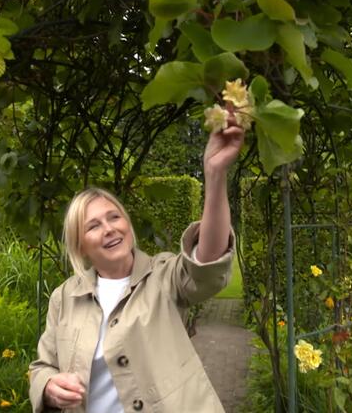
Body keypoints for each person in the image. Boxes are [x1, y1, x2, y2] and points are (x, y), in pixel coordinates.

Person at [28, 110, 245, 412]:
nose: (109, 229)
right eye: (93, 226)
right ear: (81, 245)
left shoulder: (163, 276)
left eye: (114, 217)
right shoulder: (65, 297)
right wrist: (49, 386)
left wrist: (215, 174)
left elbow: (207, 262)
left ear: (127, 224)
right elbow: (42, 366)